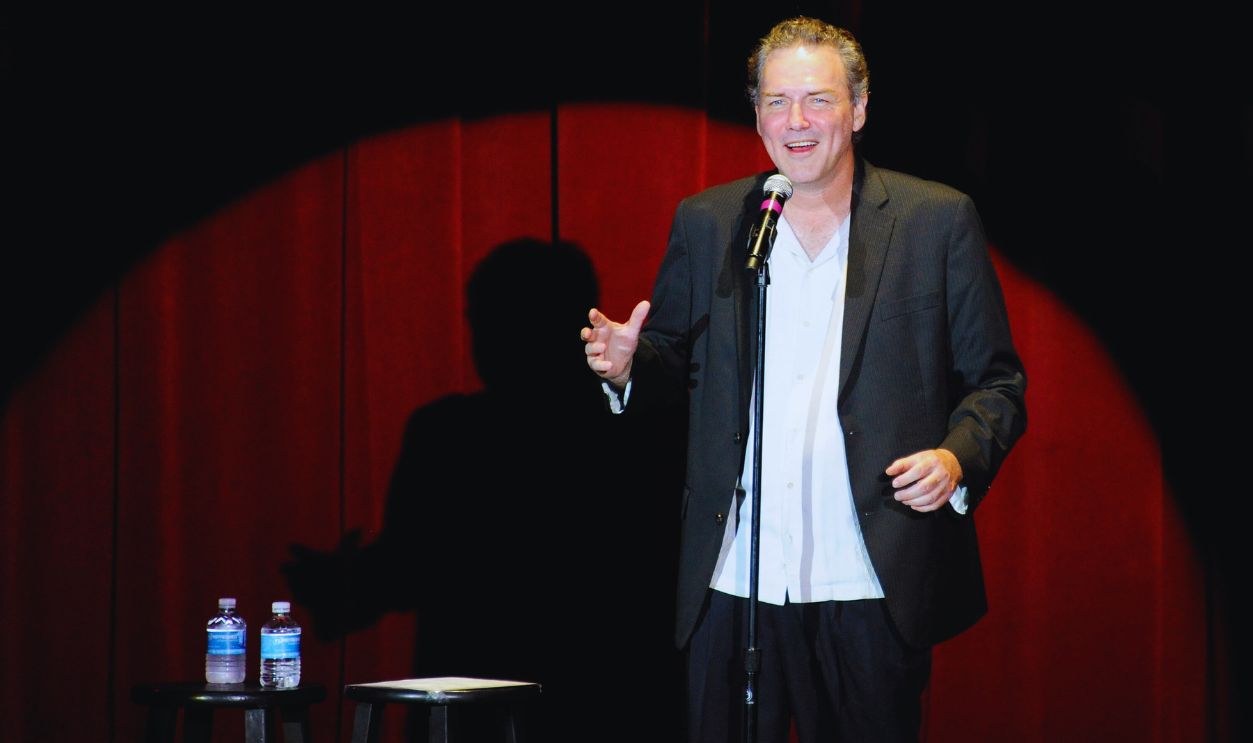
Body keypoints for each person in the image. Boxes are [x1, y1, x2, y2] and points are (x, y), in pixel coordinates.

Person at [580, 16, 1026, 743]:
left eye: (817, 100)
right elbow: (672, 365)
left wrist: (954, 458)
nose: (796, 121)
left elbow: (996, 383)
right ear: (755, 112)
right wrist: (631, 367)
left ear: (858, 109)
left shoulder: (933, 221)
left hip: (868, 576)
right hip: (734, 578)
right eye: (776, 101)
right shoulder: (710, 221)